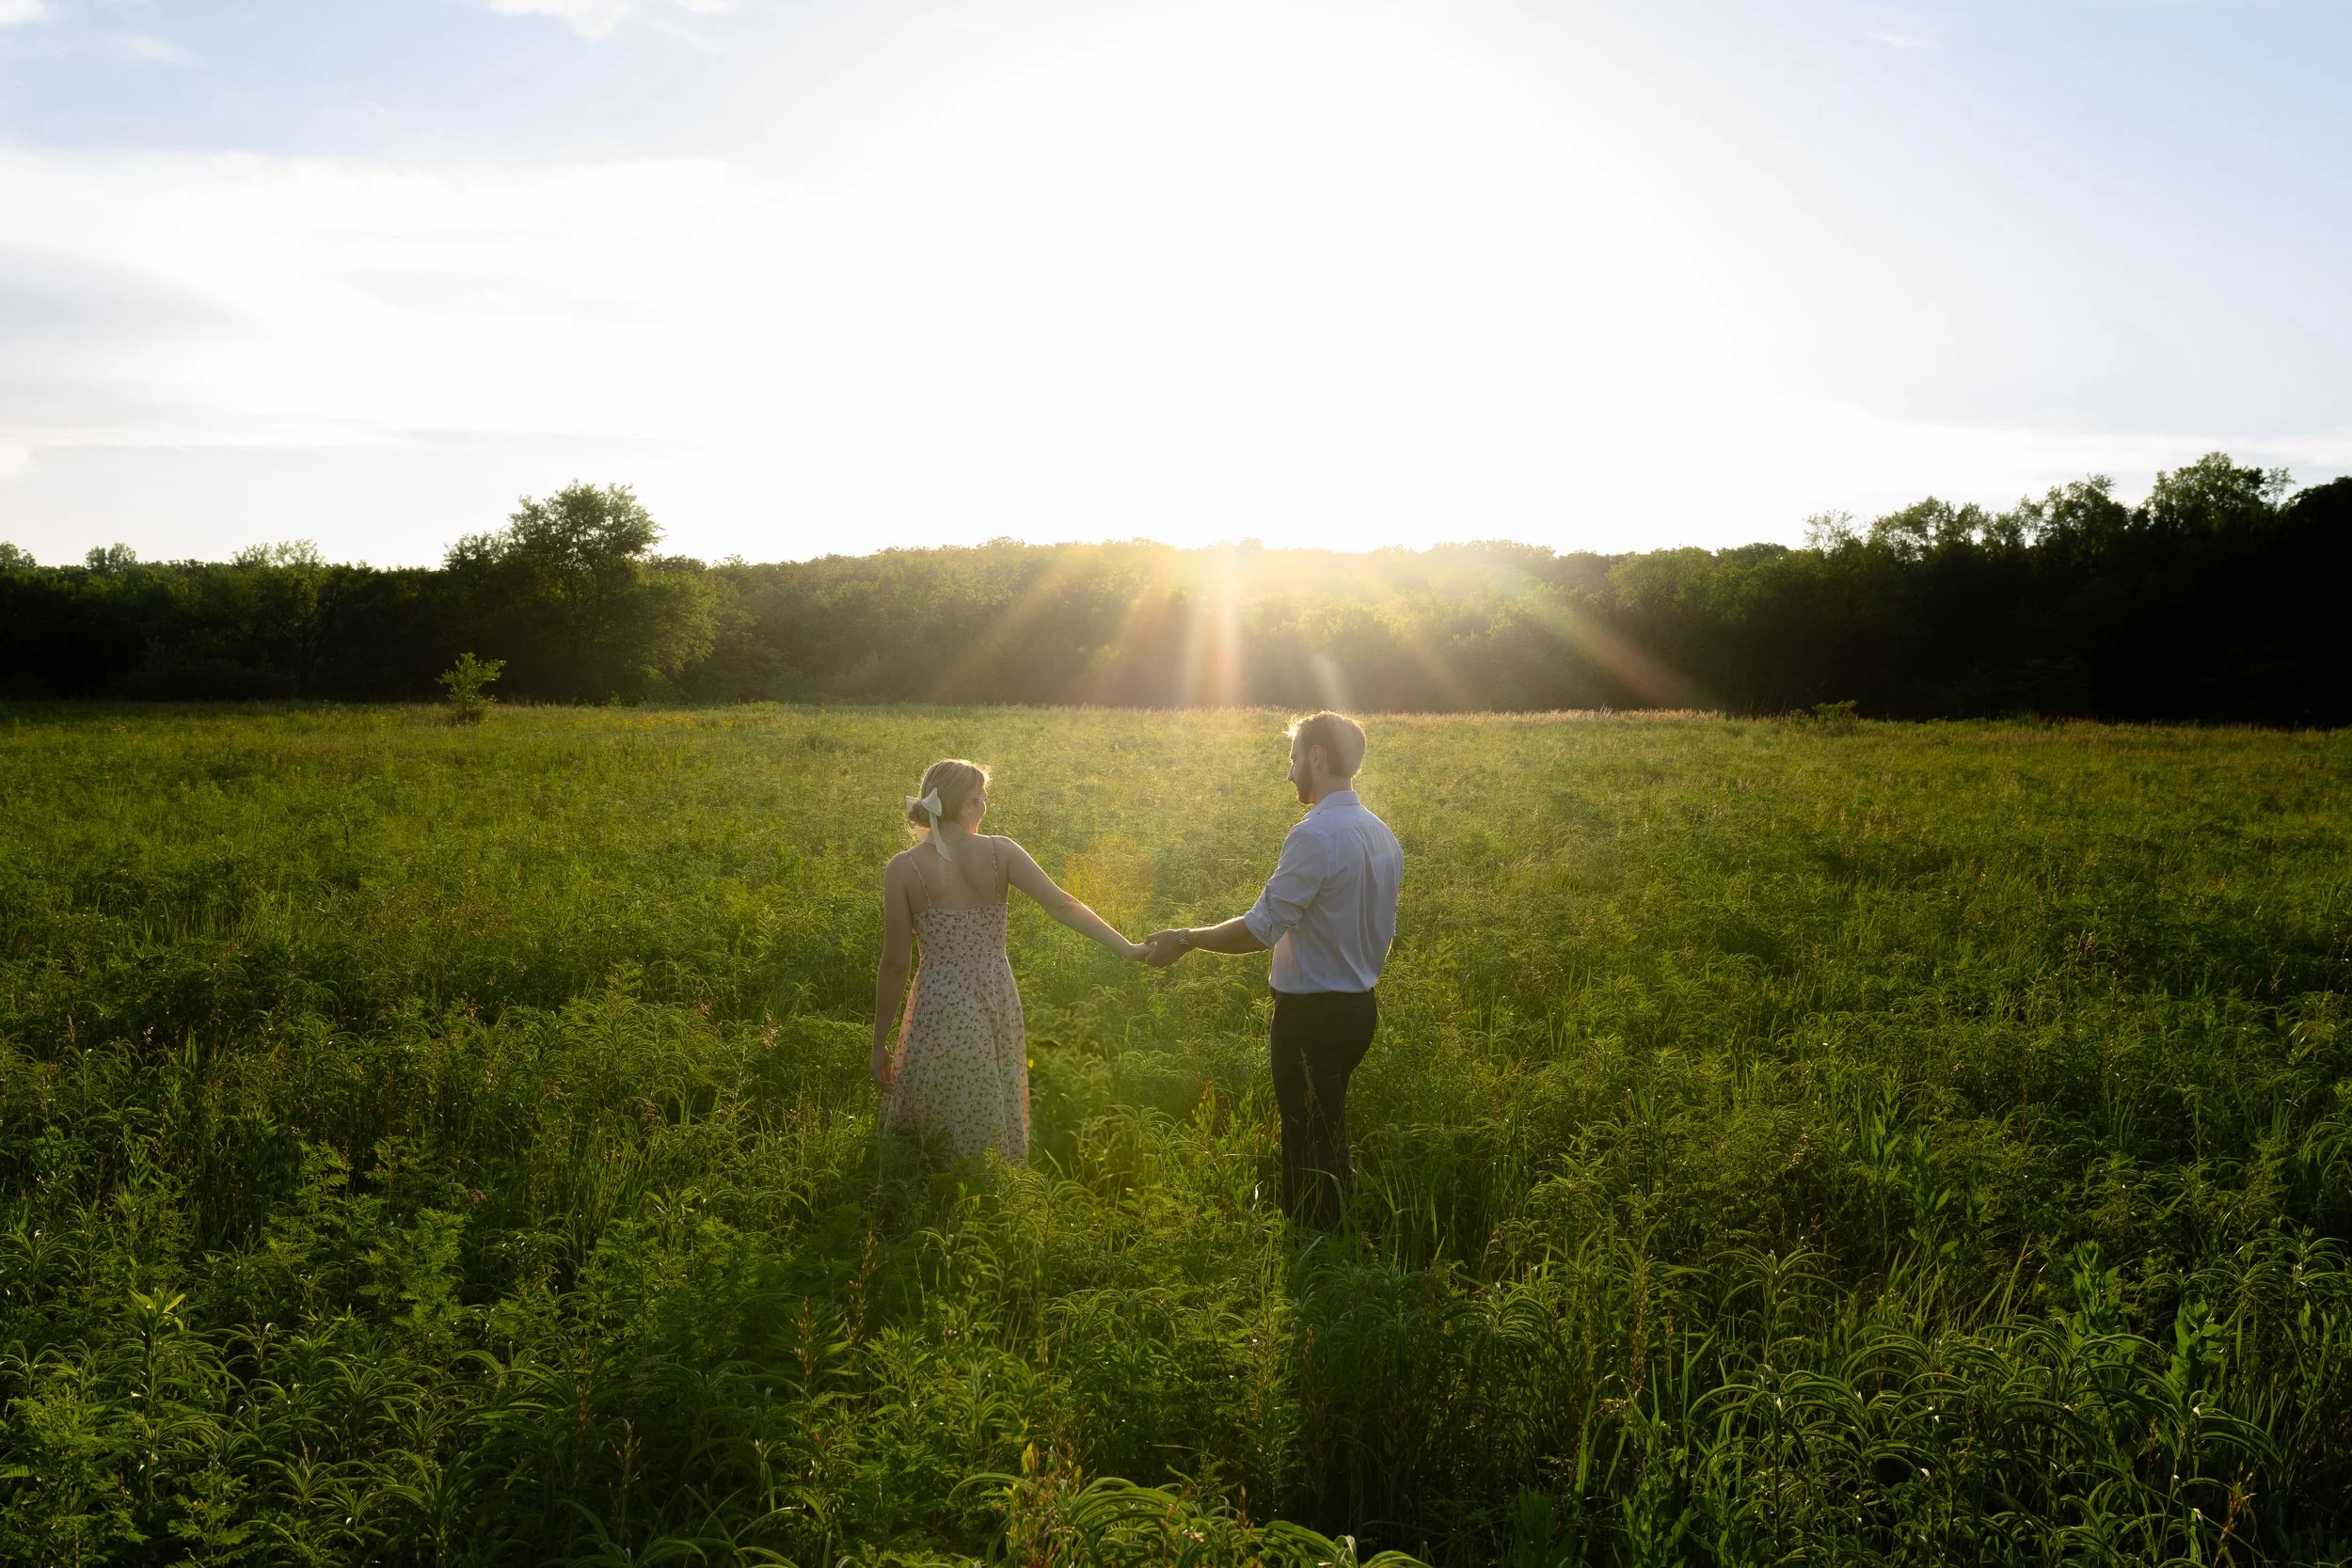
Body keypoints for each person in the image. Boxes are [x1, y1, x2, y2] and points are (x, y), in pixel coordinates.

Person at [1142, 712, 1403, 1226]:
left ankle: (1315, 1260)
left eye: (1292, 758)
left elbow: (1260, 930)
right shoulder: (1381, 834)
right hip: (1359, 1012)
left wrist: (1186, 939)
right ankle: (1336, 1236)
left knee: (1307, 1149)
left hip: (1311, 1020)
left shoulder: (1315, 836)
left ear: (1317, 758)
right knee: (1327, 1133)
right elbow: (1385, 934)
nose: (1289, 773)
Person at [872, 758, 1145, 1164]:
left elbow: (895, 964)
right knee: (986, 1104)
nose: (984, 807)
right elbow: (1063, 905)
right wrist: (1129, 948)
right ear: (967, 806)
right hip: (994, 995)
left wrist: (880, 1044)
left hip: (938, 1002)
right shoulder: (1000, 852)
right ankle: (987, 1189)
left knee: (932, 1113)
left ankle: (930, 1200)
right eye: (982, 798)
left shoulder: (904, 868)